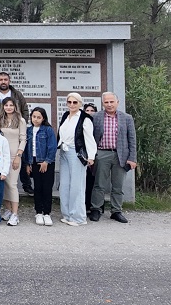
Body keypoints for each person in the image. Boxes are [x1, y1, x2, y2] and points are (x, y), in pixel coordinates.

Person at [89, 92, 138, 223]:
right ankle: (96, 209)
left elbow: (132, 139)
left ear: (117, 102)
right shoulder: (96, 117)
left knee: (118, 185)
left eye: (112, 102)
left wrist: (132, 158)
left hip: (120, 155)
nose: (109, 105)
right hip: (102, 153)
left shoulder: (127, 118)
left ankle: (116, 210)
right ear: (102, 103)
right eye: (106, 102)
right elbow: (90, 136)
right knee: (99, 184)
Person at [0, 71, 32, 195]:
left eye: (5, 79)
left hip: (15, 132)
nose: (3, 82)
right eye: (1, 80)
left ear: (9, 81)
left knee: (19, 160)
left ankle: (26, 185)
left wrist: (21, 124)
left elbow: (25, 110)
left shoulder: (17, 94)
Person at [57, 92, 96, 226]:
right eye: (69, 102)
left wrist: (91, 156)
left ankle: (78, 217)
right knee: (65, 184)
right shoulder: (65, 116)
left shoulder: (85, 118)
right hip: (64, 152)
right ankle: (67, 214)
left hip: (77, 153)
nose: (72, 105)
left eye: (75, 102)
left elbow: (89, 138)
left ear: (80, 103)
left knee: (77, 186)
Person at [23, 107, 57, 226]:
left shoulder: (47, 130)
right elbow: (27, 148)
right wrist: (28, 164)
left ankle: (46, 213)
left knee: (47, 188)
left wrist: (46, 162)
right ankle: (38, 212)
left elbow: (52, 147)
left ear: (43, 118)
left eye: (39, 117)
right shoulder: (29, 130)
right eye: (34, 117)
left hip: (46, 163)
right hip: (33, 162)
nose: (36, 119)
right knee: (37, 188)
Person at [0, 97, 27, 226]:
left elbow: (23, 139)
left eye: (11, 105)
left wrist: (18, 156)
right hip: (1, 157)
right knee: (4, 184)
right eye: (6, 105)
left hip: (14, 156)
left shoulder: (21, 121)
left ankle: (15, 214)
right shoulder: (0, 120)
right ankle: (8, 209)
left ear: (15, 106)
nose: (8, 107)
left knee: (12, 184)